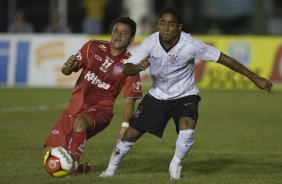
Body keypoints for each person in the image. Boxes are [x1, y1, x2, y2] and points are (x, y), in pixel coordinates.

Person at [99, 7, 273, 180]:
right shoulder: (150, 42)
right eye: (162, 23)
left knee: (187, 125)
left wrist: (254, 77)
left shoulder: (190, 44)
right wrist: (137, 67)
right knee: (130, 135)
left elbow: (224, 58)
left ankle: (175, 165)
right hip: (157, 95)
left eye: (171, 24)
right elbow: (126, 69)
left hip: (185, 95)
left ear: (179, 27)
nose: (165, 28)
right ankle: (110, 171)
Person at [43, 17, 142, 175]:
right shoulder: (93, 46)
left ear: (131, 39)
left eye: (124, 33)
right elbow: (67, 70)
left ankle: (74, 163)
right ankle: (78, 169)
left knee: (80, 123)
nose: (118, 35)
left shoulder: (130, 64)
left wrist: (125, 126)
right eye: (116, 31)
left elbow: (131, 99)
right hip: (74, 108)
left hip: (100, 111)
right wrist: (67, 66)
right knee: (51, 157)